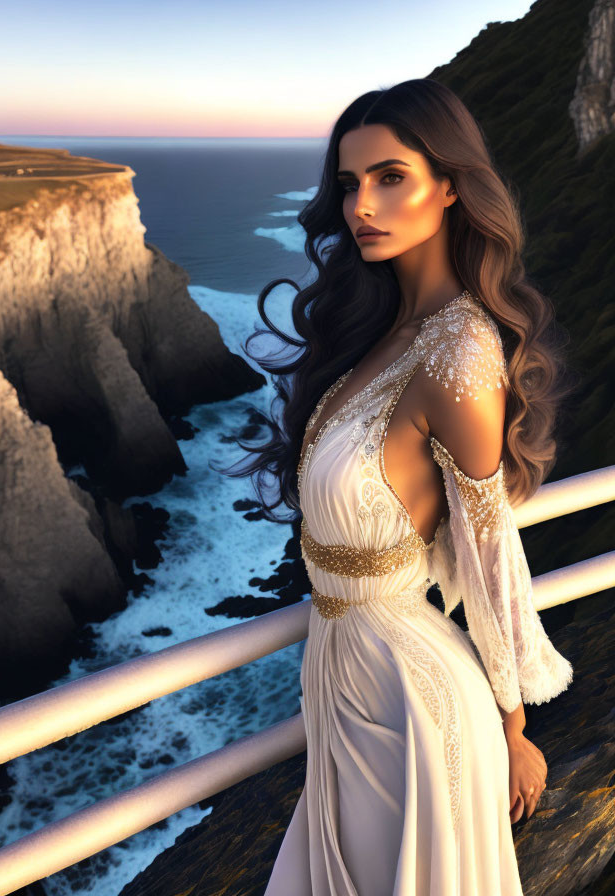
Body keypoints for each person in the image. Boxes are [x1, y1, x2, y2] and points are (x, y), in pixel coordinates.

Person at [217, 79, 575, 895]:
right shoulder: (388, 331)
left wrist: (515, 727)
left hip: (412, 711)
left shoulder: (460, 350)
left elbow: (490, 552)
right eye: (349, 185)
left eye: (390, 177)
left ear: (449, 185)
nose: (361, 207)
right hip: (344, 687)